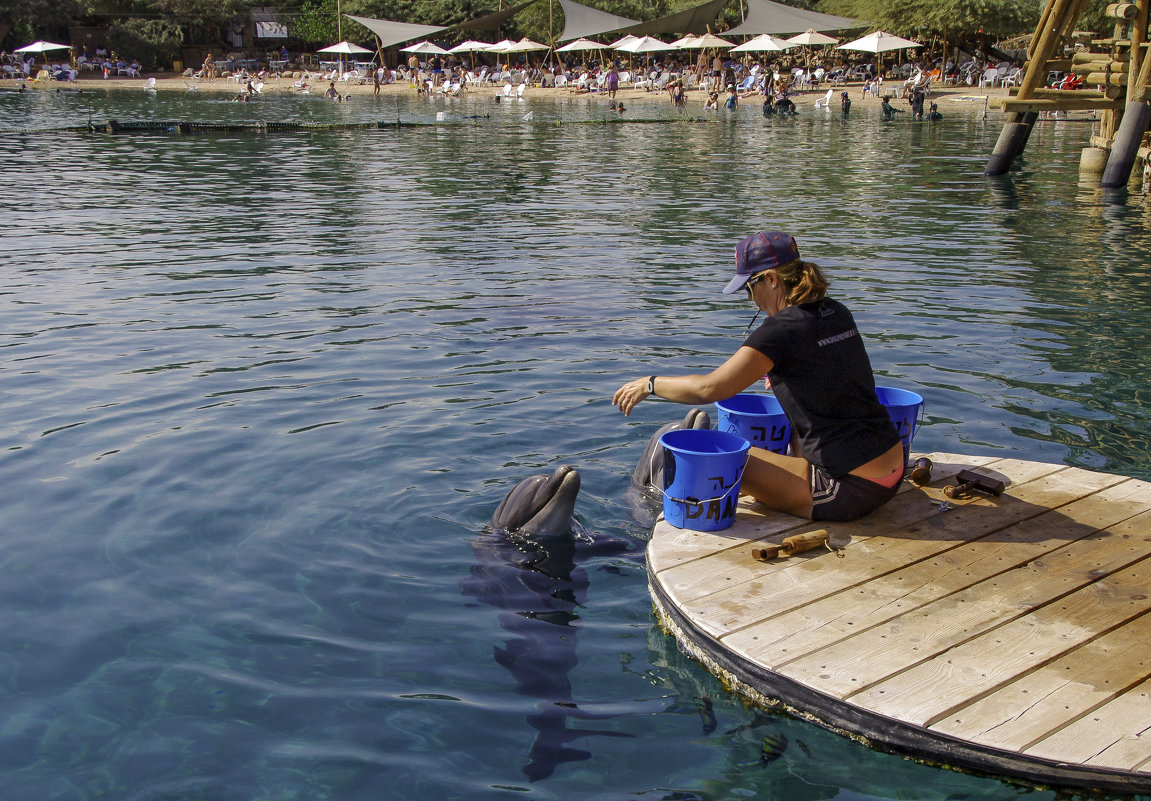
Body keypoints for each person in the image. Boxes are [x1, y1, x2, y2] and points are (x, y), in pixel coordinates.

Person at [612, 232, 904, 522]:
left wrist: (650, 384)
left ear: (772, 279)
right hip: (892, 469)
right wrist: (789, 377)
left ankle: (649, 519)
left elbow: (708, 388)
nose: (751, 299)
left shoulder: (779, 332)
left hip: (846, 491)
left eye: (750, 288)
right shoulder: (837, 312)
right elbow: (829, 373)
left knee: (708, 458)